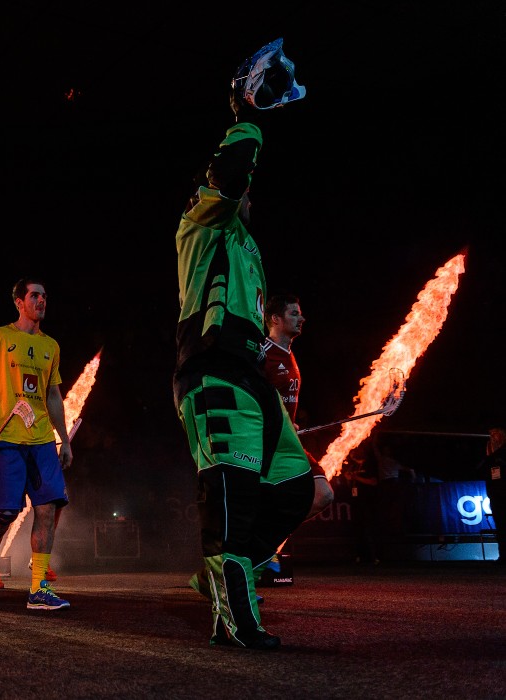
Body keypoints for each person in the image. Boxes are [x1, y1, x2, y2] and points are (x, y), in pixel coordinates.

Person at [172, 39, 313, 649]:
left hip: (250, 375)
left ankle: (223, 577)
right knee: (228, 488)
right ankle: (235, 612)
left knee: (298, 486)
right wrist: (246, 112)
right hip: (211, 369)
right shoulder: (200, 225)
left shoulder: (251, 248)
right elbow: (230, 176)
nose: (247, 195)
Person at [0, 277, 73, 611]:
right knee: (5, 512)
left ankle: (39, 588)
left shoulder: (51, 346)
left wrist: (65, 440)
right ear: (19, 302)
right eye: (35, 296)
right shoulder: (0, 337)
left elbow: (54, 395)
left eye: (45, 296)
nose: (42, 301)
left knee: (47, 509)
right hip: (7, 439)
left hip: (42, 439)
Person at [258, 294, 335, 576]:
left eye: (300, 313)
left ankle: (265, 545)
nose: (301, 318)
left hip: (289, 442)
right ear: (275, 319)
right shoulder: (261, 353)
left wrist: (291, 424)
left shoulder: (289, 352)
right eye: (293, 313)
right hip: (266, 445)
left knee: (323, 495)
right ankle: (252, 559)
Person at [476, 427, 505, 562]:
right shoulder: (490, 453)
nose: (492, 437)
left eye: (495, 434)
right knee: (500, 525)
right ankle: (503, 555)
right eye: (491, 435)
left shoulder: (502, 453)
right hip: (495, 495)